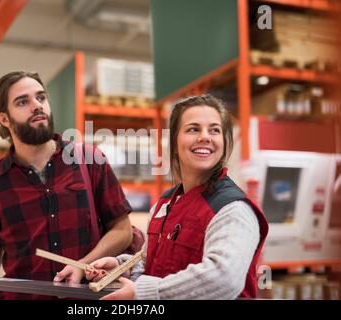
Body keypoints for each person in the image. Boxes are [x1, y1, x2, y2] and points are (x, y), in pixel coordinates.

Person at [0, 71, 133, 300]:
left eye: (41, 98)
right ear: (4, 119)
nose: (37, 106)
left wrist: (82, 265)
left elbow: (122, 230)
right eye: (23, 102)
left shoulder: (89, 160)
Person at [86, 94, 269, 300]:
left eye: (215, 130)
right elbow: (151, 261)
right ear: (173, 141)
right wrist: (122, 267)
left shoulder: (232, 209)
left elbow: (222, 279)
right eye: (193, 129)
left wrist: (144, 292)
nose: (205, 137)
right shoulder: (163, 204)